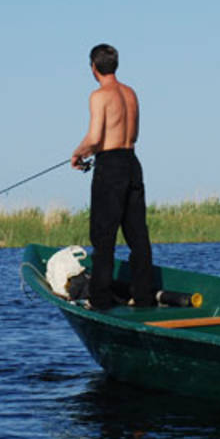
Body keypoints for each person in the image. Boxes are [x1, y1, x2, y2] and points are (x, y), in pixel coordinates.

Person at [70, 43, 154, 309]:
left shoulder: (99, 96)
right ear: (115, 65)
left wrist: (78, 153)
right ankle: (144, 298)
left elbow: (95, 138)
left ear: (93, 68)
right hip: (132, 161)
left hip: (111, 166)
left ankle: (101, 300)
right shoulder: (131, 94)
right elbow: (134, 135)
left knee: (104, 237)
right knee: (138, 236)